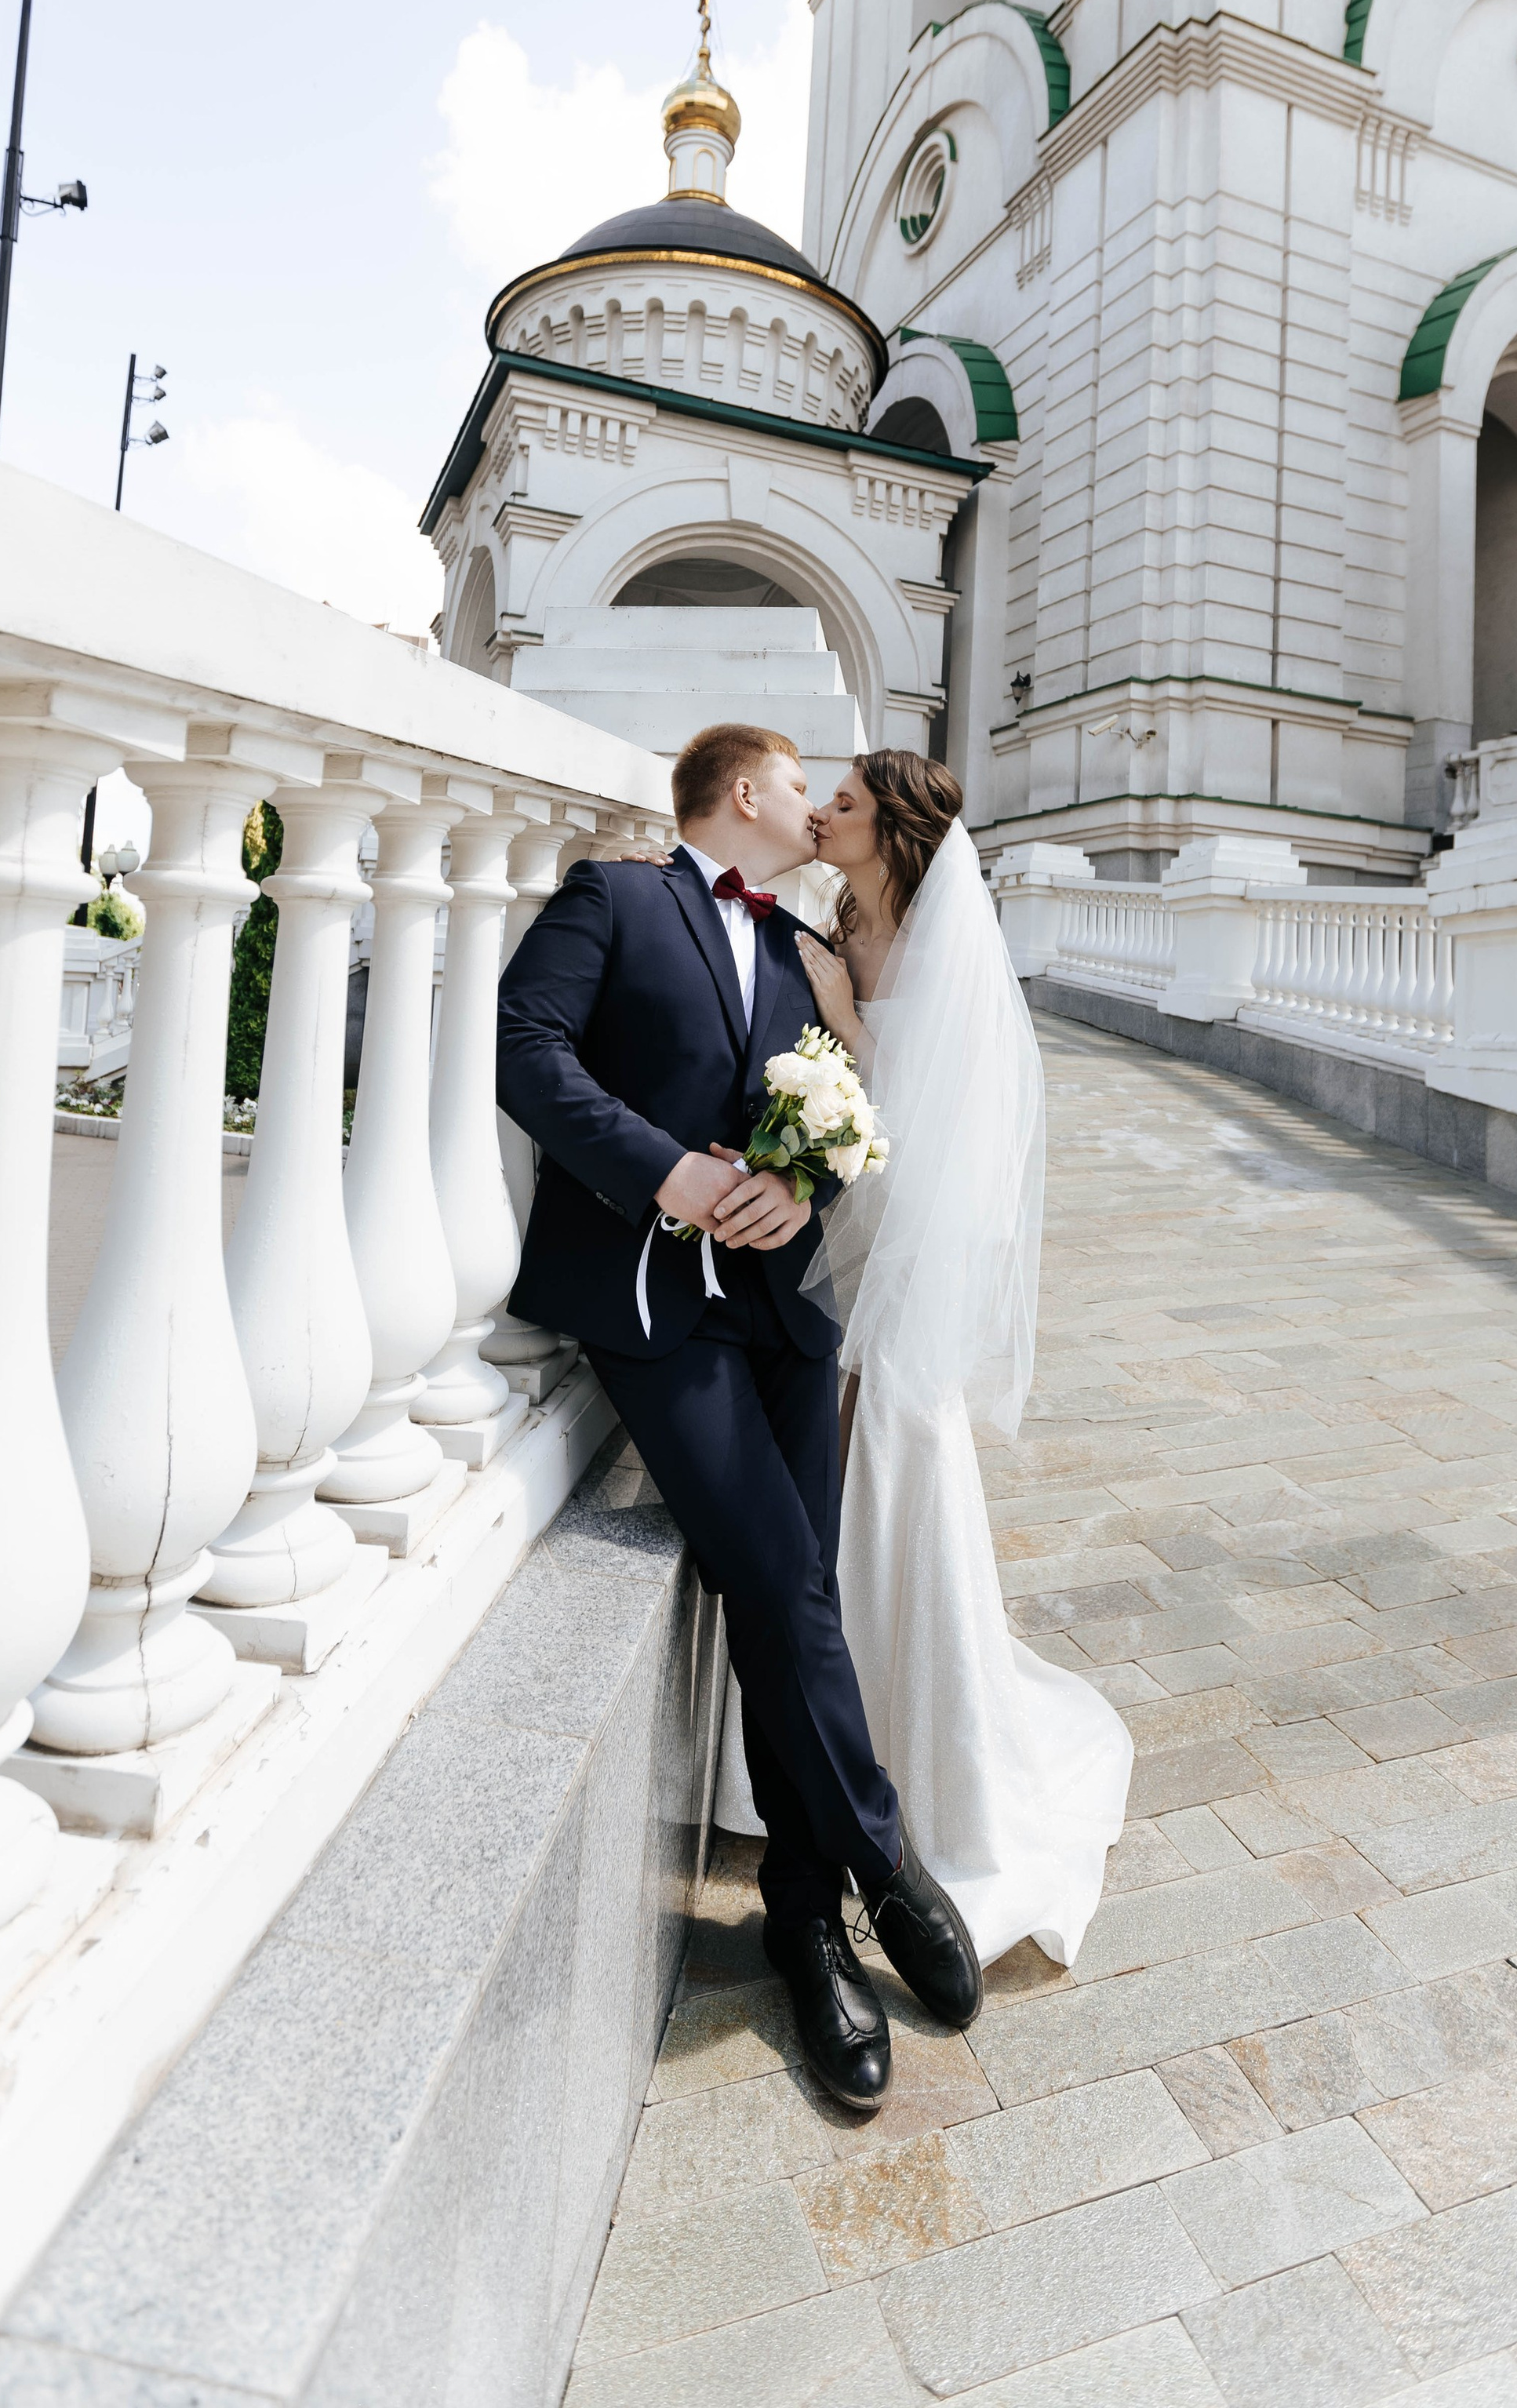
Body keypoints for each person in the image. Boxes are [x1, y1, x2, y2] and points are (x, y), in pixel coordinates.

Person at [494, 722, 984, 2114]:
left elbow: (837, 1132)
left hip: (786, 1314)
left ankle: (800, 1912)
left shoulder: (796, 951)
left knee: (797, 1592)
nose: (817, 802)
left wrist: (797, 1192)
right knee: (775, 1573)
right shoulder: (620, 896)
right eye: (800, 782)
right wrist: (669, 1177)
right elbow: (528, 1050)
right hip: (655, 1305)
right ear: (746, 791)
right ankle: (880, 1869)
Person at [714, 750, 1131, 1967]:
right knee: (830, 1448)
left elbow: (935, 1114)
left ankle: (925, 1762)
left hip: (909, 1228)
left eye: (840, 805)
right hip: (849, 1224)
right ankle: (824, 1743)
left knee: (894, 1437)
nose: (820, 815)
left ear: (891, 829)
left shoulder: (935, 944)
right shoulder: (836, 916)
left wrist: (843, 1015)